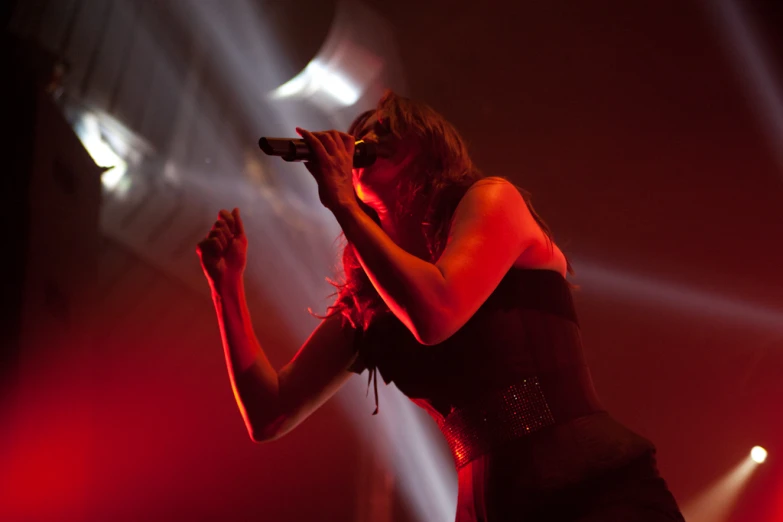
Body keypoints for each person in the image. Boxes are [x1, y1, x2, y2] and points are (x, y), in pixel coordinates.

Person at [196, 91, 686, 521]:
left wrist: (342, 203)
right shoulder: (374, 297)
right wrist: (226, 287)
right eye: (363, 131)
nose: (370, 135)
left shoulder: (493, 200)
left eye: (389, 128)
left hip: (596, 495)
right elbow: (270, 412)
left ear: (432, 146)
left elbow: (437, 313)